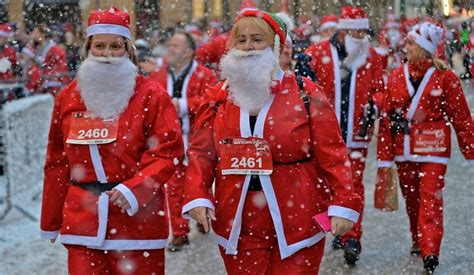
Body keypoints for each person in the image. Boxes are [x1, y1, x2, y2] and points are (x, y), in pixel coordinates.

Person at [182, 9, 361, 274]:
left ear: (275, 45)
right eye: (241, 40)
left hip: (297, 213)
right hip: (238, 217)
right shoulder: (218, 97)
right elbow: (202, 154)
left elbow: (333, 153)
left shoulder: (305, 92)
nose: (248, 46)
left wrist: (345, 201)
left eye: (257, 39)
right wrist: (197, 195)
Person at [40, 7, 184, 274]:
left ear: (128, 49)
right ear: (88, 49)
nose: (107, 54)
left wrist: (135, 189)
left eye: (115, 46)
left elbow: (168, 151)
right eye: (100, 46)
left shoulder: (151, 94)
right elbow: (57, 161)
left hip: (137, 223)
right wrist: (50, 219)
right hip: (82, 221)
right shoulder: (69, 97)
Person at [376, 22, 474, 273]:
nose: (405, 48)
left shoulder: (445, 77)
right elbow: (386, 118)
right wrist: (385, 156)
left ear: (423, 48)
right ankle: (418, 239)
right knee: (412, 198)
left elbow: (461, 116)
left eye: (410, 44)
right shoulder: (397, 76)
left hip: (434, 148)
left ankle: (431, 249)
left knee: (431, 197)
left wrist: (470, 148)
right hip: (404, 148)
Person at [305, 5, 385, 265]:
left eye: (363, 34)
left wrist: (374, 104)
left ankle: (353, 236)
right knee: (322, 185)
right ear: (342, 31)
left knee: (353, 185)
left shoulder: (372, 57)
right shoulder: (317, 53)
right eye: (355, 33)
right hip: (323, 136)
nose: (360, 38)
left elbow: (380, 89)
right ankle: (334, 226)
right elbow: (303, 85)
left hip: (356, 134)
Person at [149, 30, 216, 251]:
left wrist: (183, 105)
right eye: (169, 45)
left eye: (175, 46)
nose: (170, 49)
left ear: (188, 52)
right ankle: (179, 232)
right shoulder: (157, 76)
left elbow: (212, 101)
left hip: (198, 142)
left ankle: (203, 215)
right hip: (169, 142)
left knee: (200, 182)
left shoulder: (204, 75)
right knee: (174, 187)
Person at [31, 23, 70, 95]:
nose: (33, 35)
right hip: (44, 83)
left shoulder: (54, 49)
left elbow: (61, 67)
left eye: (36, 32)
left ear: (42, 34)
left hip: (54, 84)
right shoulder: (38, 48)